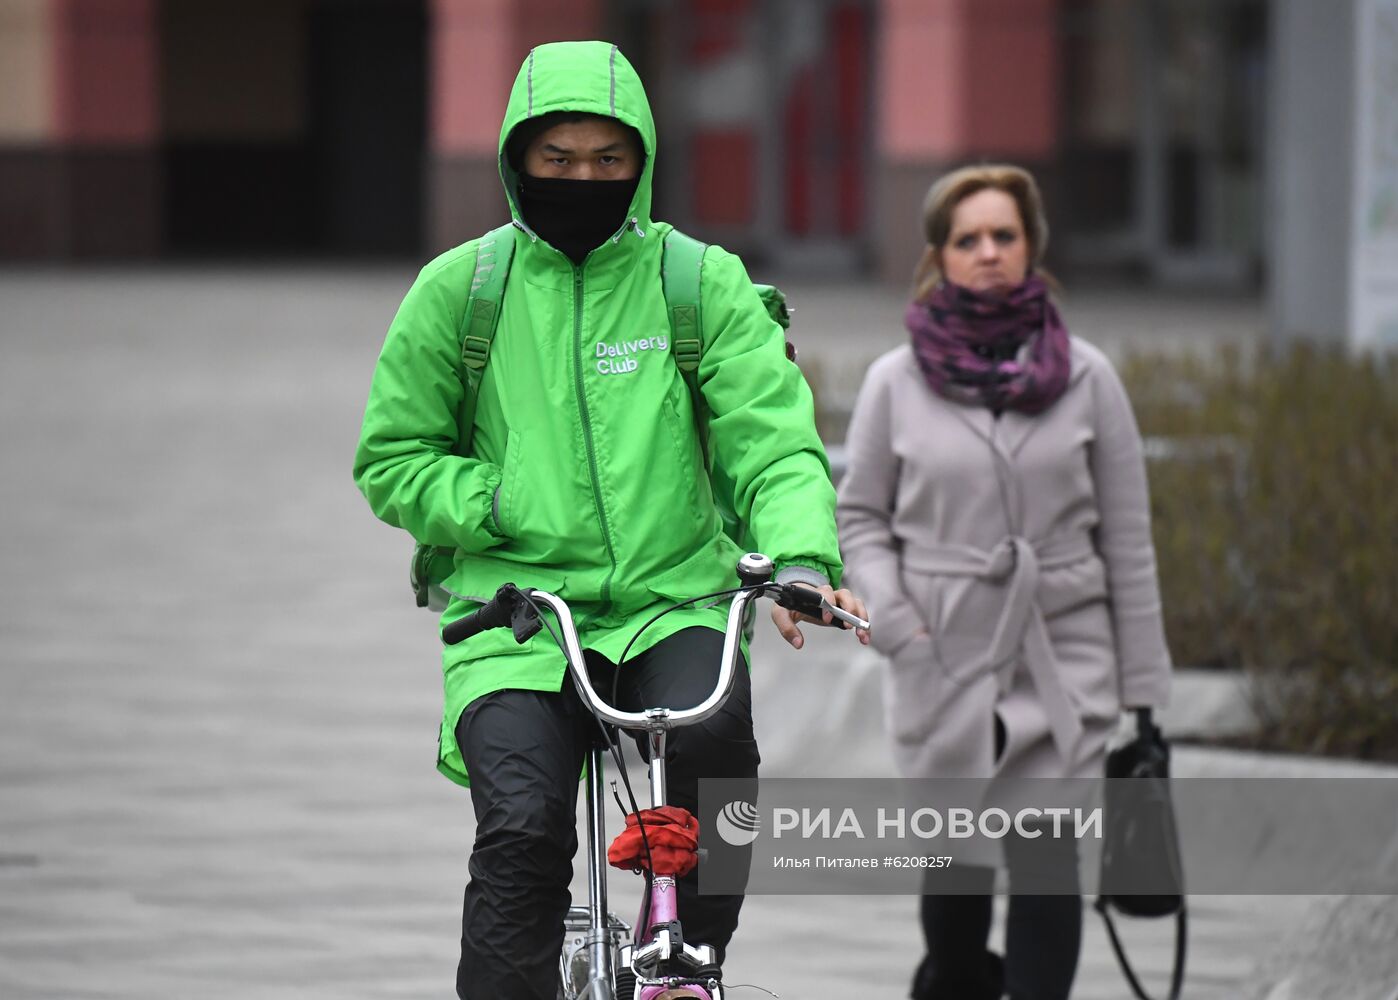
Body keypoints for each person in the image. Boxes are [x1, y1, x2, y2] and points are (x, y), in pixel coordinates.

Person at [353, 40, 868, 1000]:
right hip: (514, 615)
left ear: (642, 161)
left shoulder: (696, 281)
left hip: (672, 599)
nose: (583, 179)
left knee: (717, 758)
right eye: (557, 160)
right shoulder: (462, 292)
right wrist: (500, 502)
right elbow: (391, 458)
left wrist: (798, 557)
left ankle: (691, 959)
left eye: (607, 160)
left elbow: (773, 436)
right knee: (522, 830)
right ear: (517, 162)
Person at [836, 164, 1172, 1000]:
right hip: (939, 651)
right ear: (938, 256)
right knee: (955, 880)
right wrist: (901, 629)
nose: (988, 252)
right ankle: (951, 981)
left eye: (1005, 236)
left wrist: (1144, 690)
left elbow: (1128, 539)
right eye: (968, 239)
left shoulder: (1090, 377)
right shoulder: (893, 381)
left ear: (1032, 248)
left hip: (1064, 652)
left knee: (1045, 858)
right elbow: (860, 520)